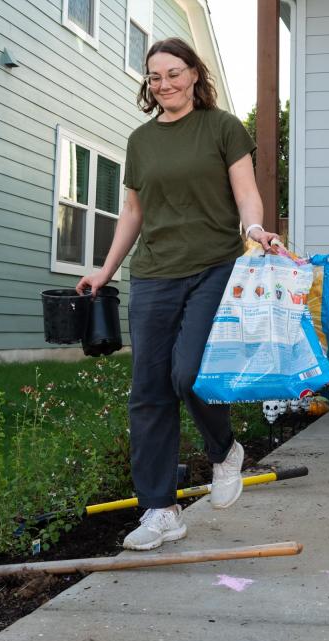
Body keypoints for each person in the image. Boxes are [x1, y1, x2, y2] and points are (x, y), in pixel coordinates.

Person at [76, 37, 281, 551]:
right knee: (148, 392)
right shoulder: (141, 140)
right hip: (153, 274)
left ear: (194, 74)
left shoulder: (222, 127)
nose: (163, 83)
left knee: (187, 373)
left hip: (213, 265)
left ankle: (224, 448)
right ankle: (160, 510)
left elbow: (245, 191)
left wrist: (255, 229)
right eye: (154, 77)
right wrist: (105, 271)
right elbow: (133, 213)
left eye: (173, 73)